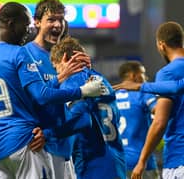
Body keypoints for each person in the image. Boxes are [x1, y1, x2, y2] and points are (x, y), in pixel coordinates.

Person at [0, 2, 102, 179]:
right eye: (26, 25)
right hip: (27, 144)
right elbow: (41, 96)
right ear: (12, 24)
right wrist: (82, 90)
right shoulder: (19, 54)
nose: (28, 30)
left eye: (61, 19)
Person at [24, 0, 91, 179]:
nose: (57, 25)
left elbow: (83, 102)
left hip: (65, 148)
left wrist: (89, 75)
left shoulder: (68, 54)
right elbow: (33, 98)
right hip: (38, 148)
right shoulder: (25, 54)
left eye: (60, 20)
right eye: (51, 20)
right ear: (37, 22)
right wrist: (61, 76)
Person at [44, 36, 126, 179]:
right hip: (116, 161)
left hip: (93, 164)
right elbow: (116, 117)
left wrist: (48, 134)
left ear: (64, 59)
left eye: (56, 67)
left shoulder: (72, 81)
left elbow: (82, 120)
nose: (58, 73)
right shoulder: (102, 80)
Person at [128, 21, 184, 179]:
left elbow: (160, 122)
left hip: (179, 159)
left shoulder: (167, 73)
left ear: (162, 45)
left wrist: (142, 161)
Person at [115, 61, 160, 179]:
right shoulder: (143, 94)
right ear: (133, 76)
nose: (146, 78)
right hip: (142, 161)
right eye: (143, 74)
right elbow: (160, 113)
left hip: (118, 161)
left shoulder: (112, 97)